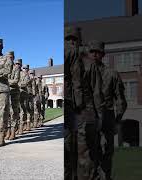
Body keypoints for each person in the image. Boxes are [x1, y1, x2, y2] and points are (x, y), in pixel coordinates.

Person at [64, 26, 106, 180]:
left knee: (76, 153)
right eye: (70, 39)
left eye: (72, 40)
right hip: (81, 112)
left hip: (78, 112)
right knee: (80, 154)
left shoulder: (86, 62)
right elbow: (96, 93)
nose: (72, 43)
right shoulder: (87, 63)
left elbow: (96, 92)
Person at [87, 40, 127, 180]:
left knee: (105, 155)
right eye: (92, 52)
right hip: (89, 120)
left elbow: (121, 100)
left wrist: (117, 120)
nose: (94, 55)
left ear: (102, 55)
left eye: (97, 53)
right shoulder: (83, 74)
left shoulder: (112, 74)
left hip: (106, 118)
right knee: (88, 156)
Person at [6, 55, 22, 140]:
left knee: (13, 112)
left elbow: (16, 81)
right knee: (7, 112)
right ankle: (8, 132)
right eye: (8, 57)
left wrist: (5, 81)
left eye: (11, 58)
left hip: (14, 92)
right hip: (6, 92)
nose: (9, 59)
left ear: (13, 58)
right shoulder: (5, 67)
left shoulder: (16, 68)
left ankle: (13, 132)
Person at [18, 64, 30, 135]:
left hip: (23, 94)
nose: (25, 69)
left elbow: (25, 83)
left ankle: (22, 127)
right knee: (16, 111)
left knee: (23, 110)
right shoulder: (15, 73)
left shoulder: (26, 75)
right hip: (15, 93)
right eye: (24, 68)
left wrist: (16, 84)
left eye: (26, 68)